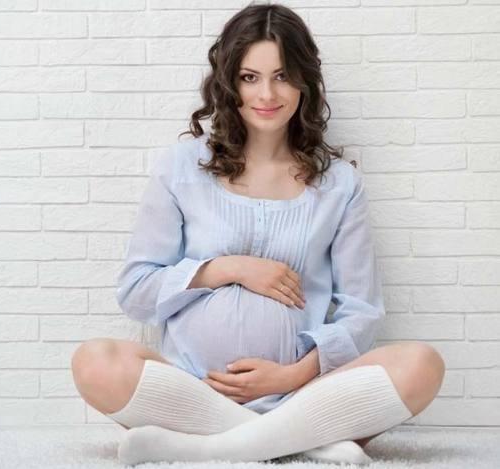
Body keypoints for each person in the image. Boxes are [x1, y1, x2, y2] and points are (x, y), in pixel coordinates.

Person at [71, 2, 446, 465]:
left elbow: (362, 312)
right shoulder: (181, 168)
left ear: (304, 80)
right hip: (193, 387)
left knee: (421, 366)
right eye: (250, 77)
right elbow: (136, 291)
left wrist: (293, 376)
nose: (267, 93)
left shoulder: (339, 185)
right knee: (94, 362)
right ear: (229, 82)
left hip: (302, 392)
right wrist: (227, 268)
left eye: (282, 76)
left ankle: (205, 444)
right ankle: (298, 442)